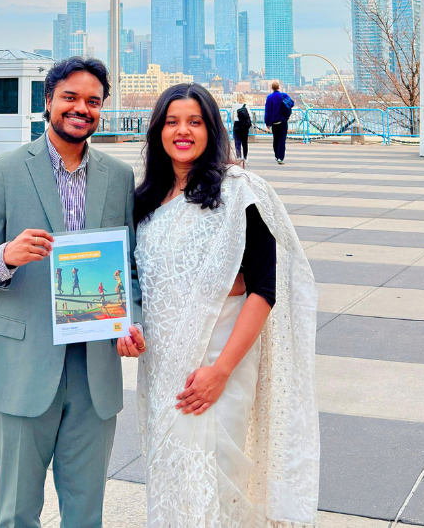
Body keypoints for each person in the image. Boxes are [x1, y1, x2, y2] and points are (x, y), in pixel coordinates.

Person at [0, 56, 145, 528]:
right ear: (48, 102)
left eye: (93, 101)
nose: (81, 108)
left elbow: (130, 268)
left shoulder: (119, 177)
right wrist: (7, 255)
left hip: (94, 373)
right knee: (18, 514)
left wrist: (132, 320)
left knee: (85, 515)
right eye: (70, 97)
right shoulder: (5, 170)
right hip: (24, 369)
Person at [134, 83, 319, 528]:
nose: (183, 131)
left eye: (195, 122)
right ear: (158, 130)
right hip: (161, 374)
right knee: (171, 479)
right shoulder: (143, 201)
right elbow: (139, 285)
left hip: (220, 367)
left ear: (212, 129)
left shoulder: (240, 193)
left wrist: (220, 372)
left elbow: (263, 289)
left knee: (218, 482)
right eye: (173, 121)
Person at [263, 80, 294, 164]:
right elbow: (291, 103)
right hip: (283, 121)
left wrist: (267, 123)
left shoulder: (269, 98)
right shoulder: (284, 95)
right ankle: (280, 157)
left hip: (274, 122)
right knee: (282, 139)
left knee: (275, 139)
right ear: (279, 87)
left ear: (272, 88)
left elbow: (267, 111)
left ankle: (276, 155)